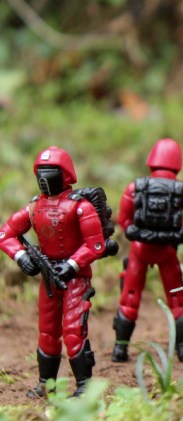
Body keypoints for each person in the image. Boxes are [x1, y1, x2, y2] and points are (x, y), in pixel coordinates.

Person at [0, 146, 108, 398]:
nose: (44, 178)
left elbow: (96, 244)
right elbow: (5, 234)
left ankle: (84, 386)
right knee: (47, 331)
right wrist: (22, 257)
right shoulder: (34, 207)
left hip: (75, 278)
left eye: (50, 171)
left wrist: (71, 265)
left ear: (65, 174)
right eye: (41, 171)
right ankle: (45, 384)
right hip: (48, 278)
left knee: (73, 330)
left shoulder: (80, 207)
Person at [110, 138, 183, 363]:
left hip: (140, 250)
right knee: (178, 301)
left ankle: (119, 350)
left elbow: (123, 220)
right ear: (178, 163)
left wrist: (135, 231)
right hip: (167, 252)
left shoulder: (135, 188)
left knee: (129, 299)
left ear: (151, 160)